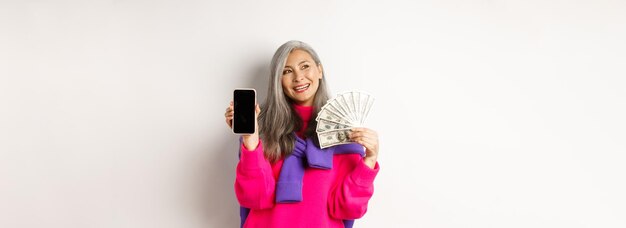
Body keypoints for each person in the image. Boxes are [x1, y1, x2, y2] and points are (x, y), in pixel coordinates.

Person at [224, 40, 380, 228]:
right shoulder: (262, 130)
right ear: (278, 80)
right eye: (287, 71)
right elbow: (255, 198)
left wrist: (369, 160)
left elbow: (347, 208)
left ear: (319, 70)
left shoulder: (343, 133)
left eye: (305, 66)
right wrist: (250, 139)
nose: (298, 77)